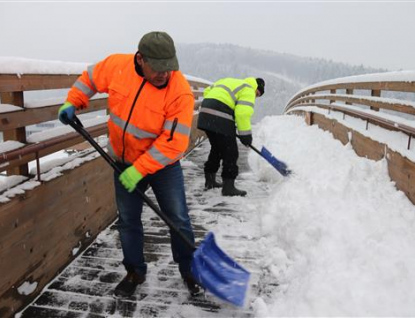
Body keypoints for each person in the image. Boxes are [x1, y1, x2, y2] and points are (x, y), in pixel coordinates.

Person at [58, 31, 201, 297]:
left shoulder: (180, 93)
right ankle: (135, 271)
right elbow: (89, 78)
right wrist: (73, 101)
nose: (164, 74)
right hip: (123, 162)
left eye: (169, 67)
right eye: (157, 68)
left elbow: (173, 144)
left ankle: (190, 269)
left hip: (162, 166)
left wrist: (140, 170)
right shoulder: (117, 66)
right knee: (128, 220)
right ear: (141, 59)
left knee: (178, 218)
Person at [197, 77, 265, 196]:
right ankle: (228, 188)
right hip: (219, 114)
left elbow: (207, 91)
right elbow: (242, 113)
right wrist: (246, 136)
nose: (255, 97)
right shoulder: (249, 89)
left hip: (205, 113)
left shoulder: (231, 82)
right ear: (256, 88)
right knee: (231, 152)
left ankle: (210, 181)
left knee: (217, 148)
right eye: (257, 94)